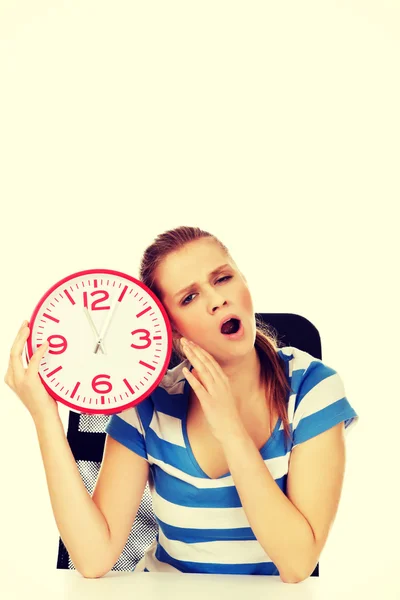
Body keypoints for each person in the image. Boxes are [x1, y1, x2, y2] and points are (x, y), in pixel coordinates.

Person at [5, 225, 359, 583]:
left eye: (222, 278)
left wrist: (230, 431)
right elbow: (93, 559)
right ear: (171, 330)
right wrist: (44, 417)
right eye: (189, 297)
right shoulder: (150, 403)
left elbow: (297, 564)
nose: (217, 299)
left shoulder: (312, 388)